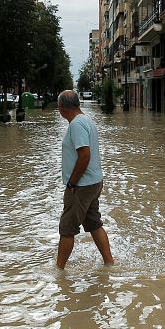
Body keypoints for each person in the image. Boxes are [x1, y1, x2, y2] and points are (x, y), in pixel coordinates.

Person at [56, 90, 114, 269]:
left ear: (62, 107)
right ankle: (109, 263)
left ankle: (59, 271)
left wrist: (72, 182)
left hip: (81, 186)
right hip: (93, 182)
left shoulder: (76, 125)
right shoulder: (86, 120)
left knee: (67, 229)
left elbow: (84, 156)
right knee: (94, 223)